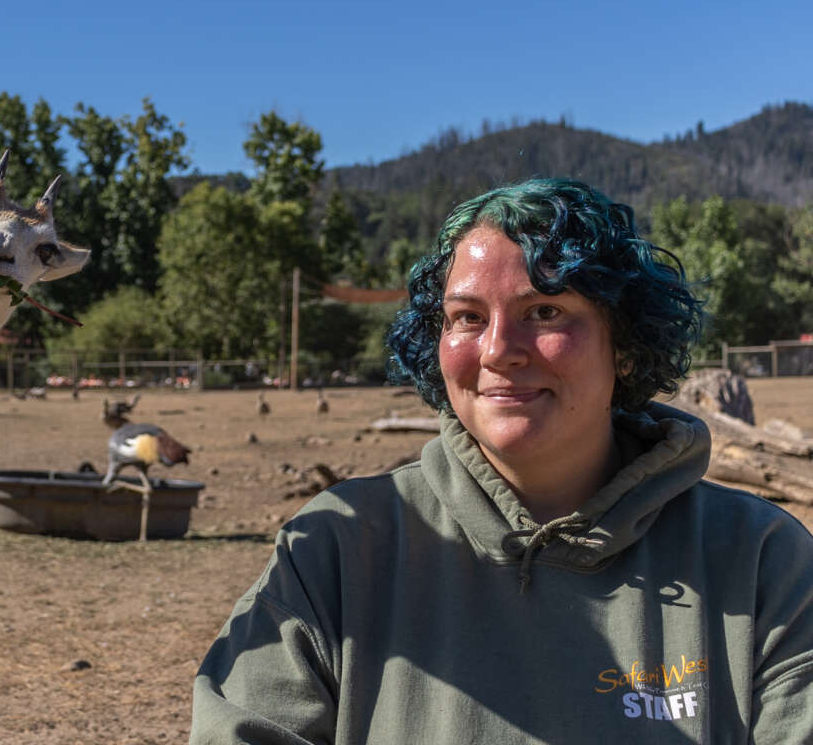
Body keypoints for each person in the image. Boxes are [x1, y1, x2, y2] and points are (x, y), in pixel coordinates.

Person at [189, 179, 813, 744]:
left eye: (544, 311)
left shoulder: (760, 561)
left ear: (623, 344)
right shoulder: (337, 550)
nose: (497, 351)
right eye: (467, 318)